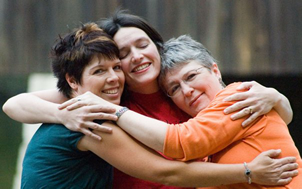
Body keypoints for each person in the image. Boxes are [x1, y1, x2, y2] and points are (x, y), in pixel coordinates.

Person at [2, 10, 294, 188]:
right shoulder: (106, 101)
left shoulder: (185, 97)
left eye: (142, 45)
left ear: (157, 48)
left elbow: (246, 123)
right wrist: (64, 114)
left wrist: (276, 97)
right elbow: (15, 103)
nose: (136, 57)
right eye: (123, 56)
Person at [72, 35, 301, 188]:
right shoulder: (204, 121)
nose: (187, 91)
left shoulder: (238, 96)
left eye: (191, 77)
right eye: (175, 88)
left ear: (215, 70)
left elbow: (182, 141)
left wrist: (114, 110)